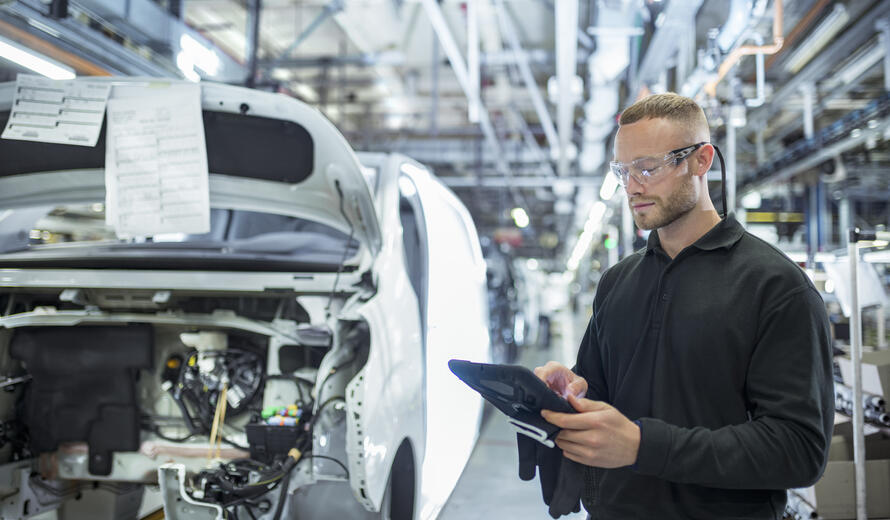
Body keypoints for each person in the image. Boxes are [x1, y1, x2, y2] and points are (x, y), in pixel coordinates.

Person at [527, 93, 834, 519]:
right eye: (623, 171)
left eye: (648, 168)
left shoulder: (774, 286)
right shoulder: (618, 281)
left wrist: (641, 446)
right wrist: (570, 391)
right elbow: (601, 391)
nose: (633, 186)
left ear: (701, 160)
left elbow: (800, 449)